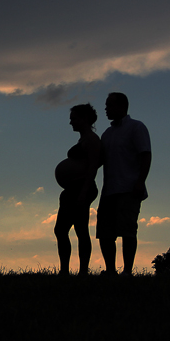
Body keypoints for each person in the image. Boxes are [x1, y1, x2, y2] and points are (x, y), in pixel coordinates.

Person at [97, 92, 151, 275]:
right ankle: (111, 271)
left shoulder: (136, 127)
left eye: (109, 105)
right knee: (105, 233)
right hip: (109, 190)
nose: (106, 109)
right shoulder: (107, 134)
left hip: (129, 187)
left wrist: (140, 182)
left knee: (128, 231)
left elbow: (145, 154)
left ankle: (127, 271)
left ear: (121, 106)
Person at [54, 103, 101, 275]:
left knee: (77, 230)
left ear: (85, 119)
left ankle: (80, 272)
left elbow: (93, 167)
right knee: (66, 230)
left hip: (80, 188)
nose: (71, 123)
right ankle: (67, 271)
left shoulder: (92, 140)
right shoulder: (84, 139)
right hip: (74, 189)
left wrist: (83, 192)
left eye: (74, 119)